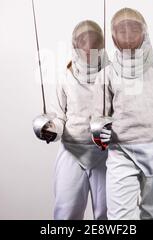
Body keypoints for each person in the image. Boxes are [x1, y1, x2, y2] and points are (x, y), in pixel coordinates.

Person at [91, 8, 153, 220]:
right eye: (122, 31)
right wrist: (98, 133)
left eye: (133, 30)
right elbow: (97, 121)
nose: (128, 35)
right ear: (115, 38)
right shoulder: (107, 74)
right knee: (119, 220)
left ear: (144, 33)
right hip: (121, 153)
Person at [33, 20, 109, 220]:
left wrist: (112, 129)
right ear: (76, 48)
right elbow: (58, 117)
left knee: (108, 216)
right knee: (67, 214)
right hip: (72, 152)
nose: (88, 52)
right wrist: (50, 128)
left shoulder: (114, 76)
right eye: (84, 47)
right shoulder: (65, 77)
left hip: (106, 154)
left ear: (101, 47)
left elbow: (124, 117)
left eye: (94, 47)